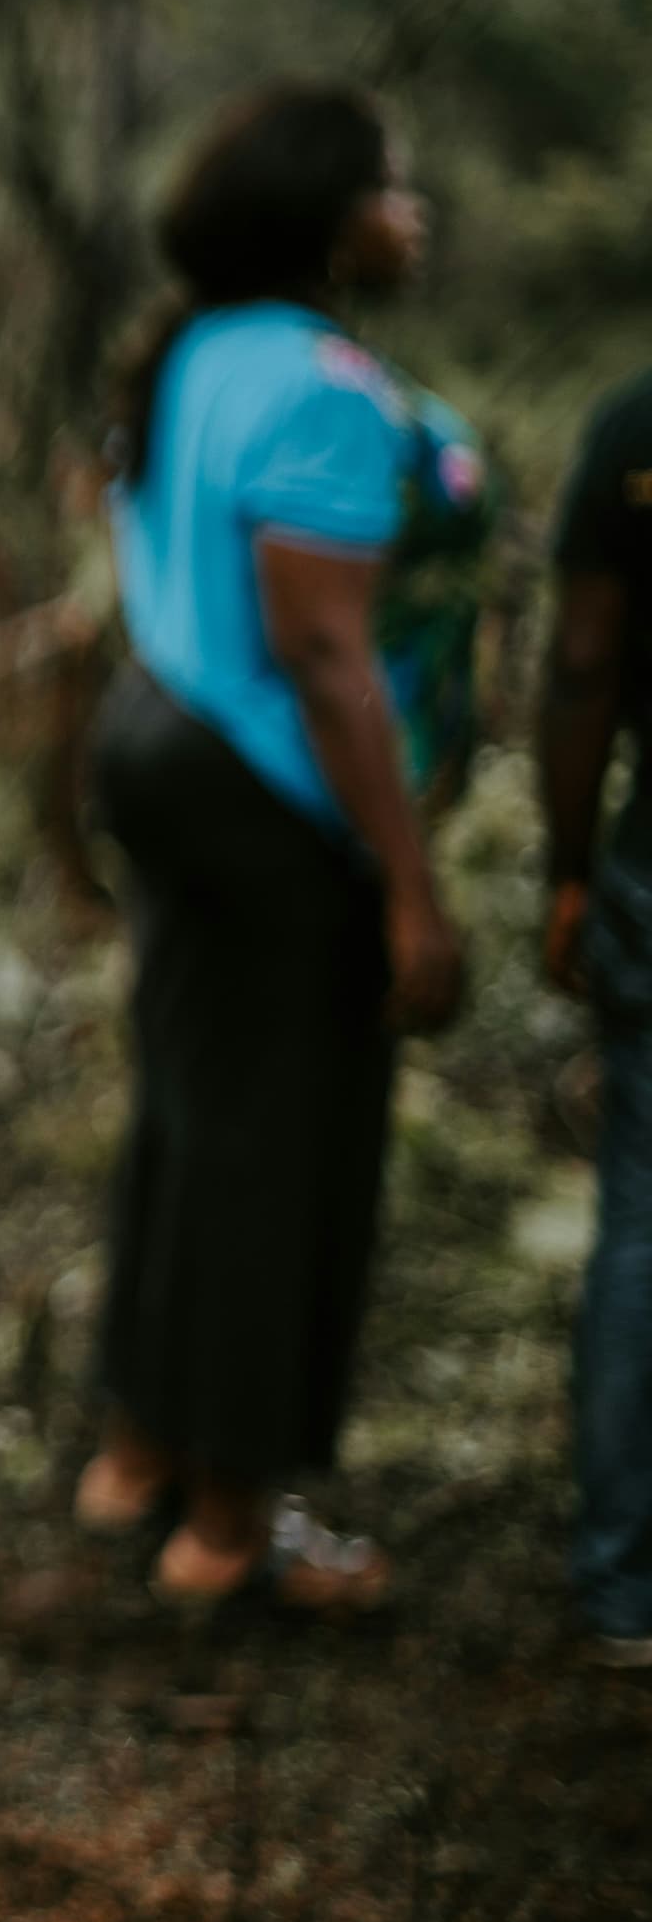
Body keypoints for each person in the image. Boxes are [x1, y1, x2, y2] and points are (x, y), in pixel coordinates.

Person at [72, 81, 488, 1615]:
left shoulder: (196, 348)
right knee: (286, 1151)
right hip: (269, 785)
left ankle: (137, 1454)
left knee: (189, 1111)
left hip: (160, 736)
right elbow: (325, 657)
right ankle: (233, 1528)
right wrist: (411, 892)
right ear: (329, 212)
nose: (413, 210)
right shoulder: (319, 383)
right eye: (392, 185)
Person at [542, 370, 652, 1664]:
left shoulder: (632, 427)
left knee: (642, 1219)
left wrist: (567, 869)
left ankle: (626, 1582)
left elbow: (583, 661)